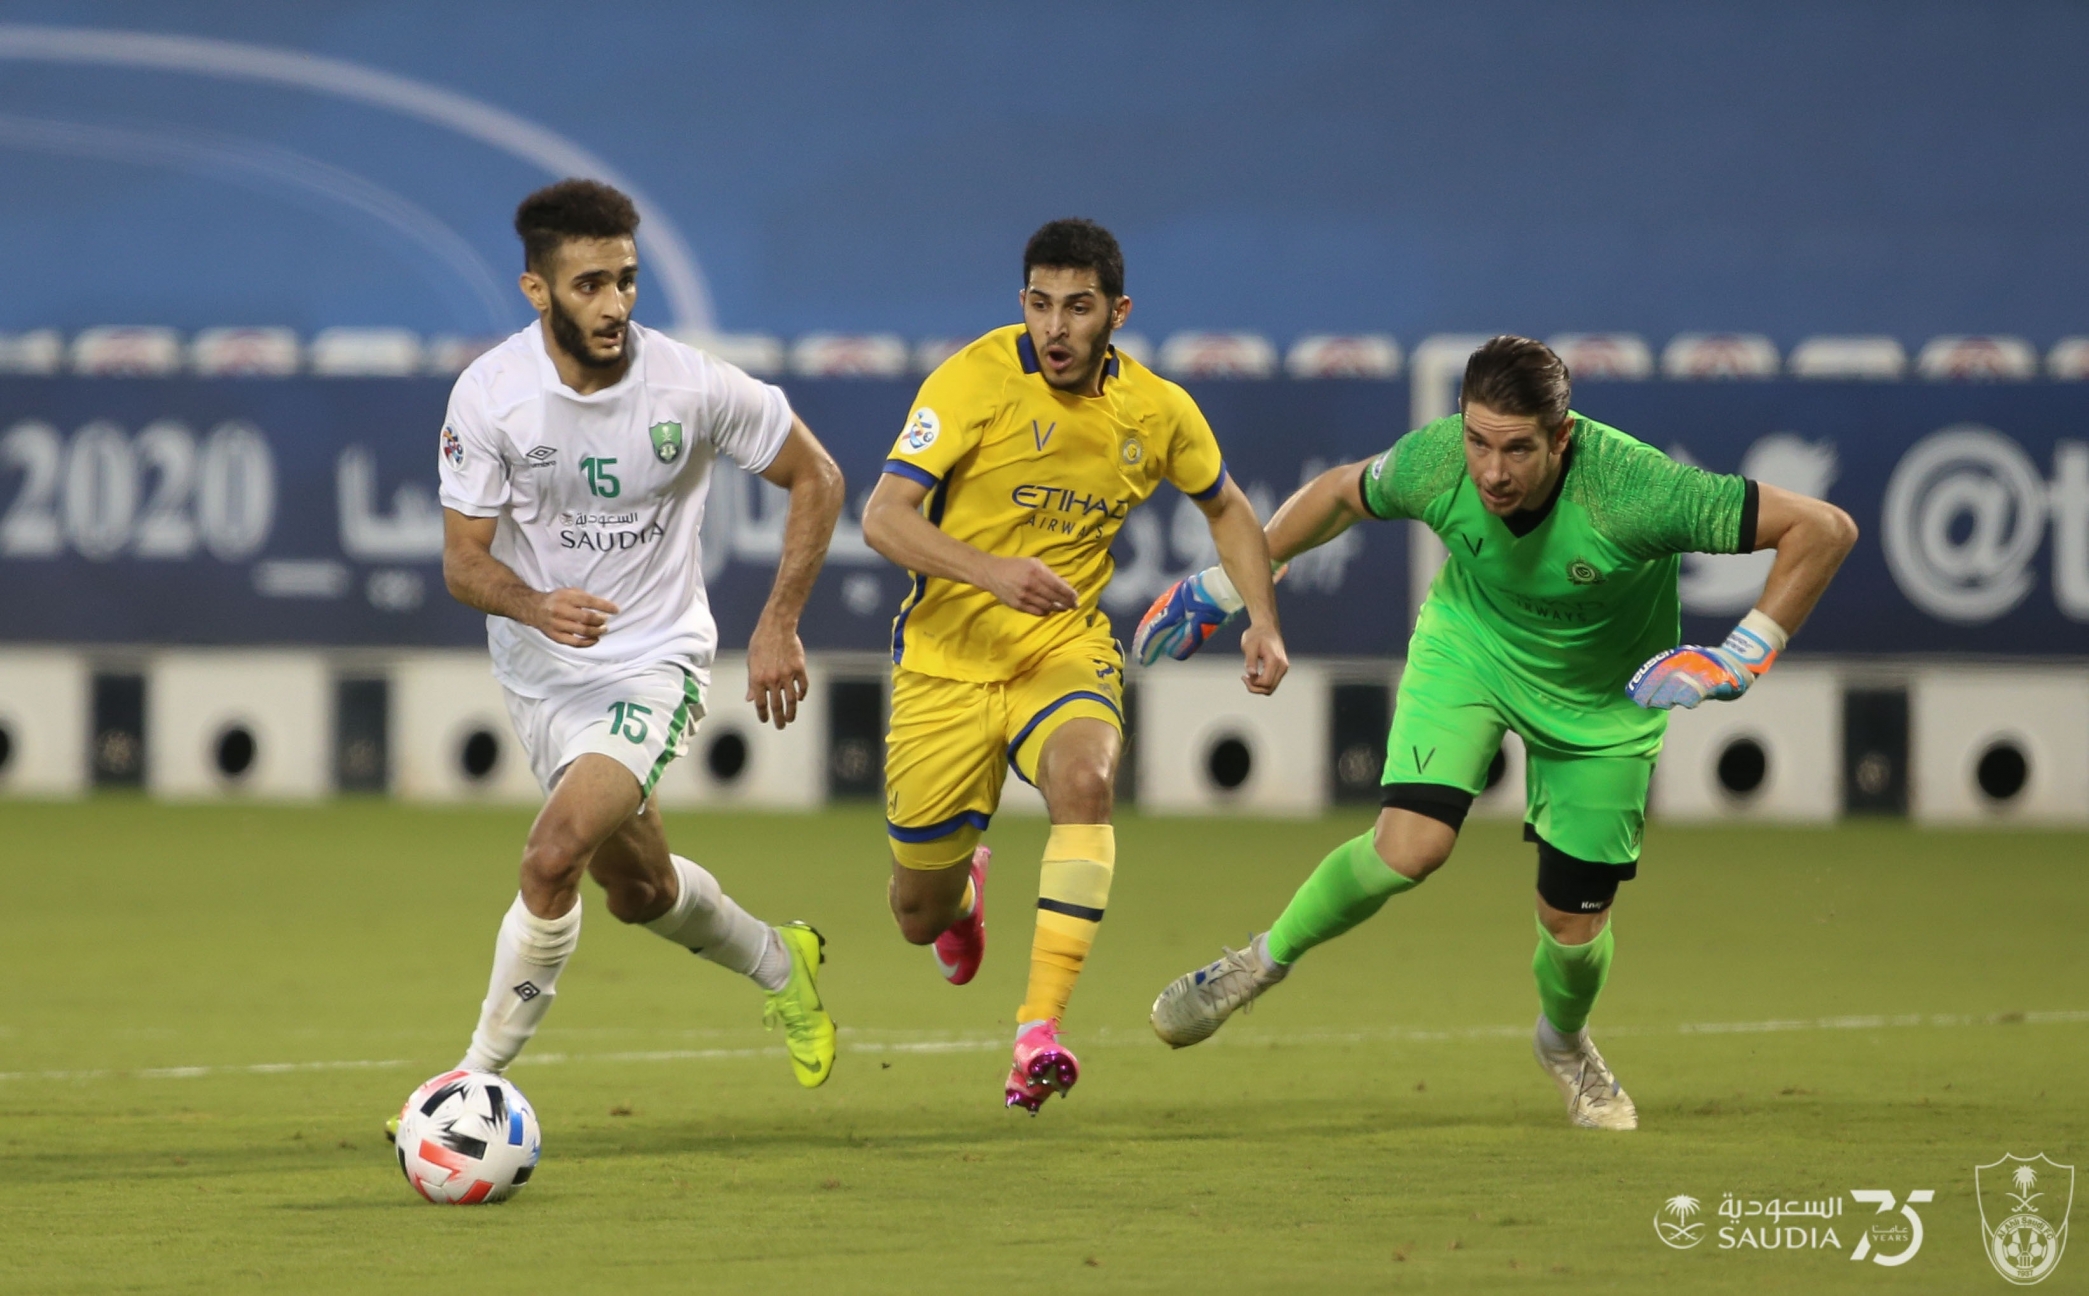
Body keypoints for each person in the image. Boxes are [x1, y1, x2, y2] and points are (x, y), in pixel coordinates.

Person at [1140, 334, 1858, 1129]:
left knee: (1572, 929)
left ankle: (1564, 1044)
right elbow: (1343, 494)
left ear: (1561, 436)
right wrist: (1229, 580)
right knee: (1409, 847)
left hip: (1601, 701)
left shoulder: (1637, 490)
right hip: (1472, 651)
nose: (1490, 472)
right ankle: (1254, 965)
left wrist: (1741, 655)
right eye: (1477, 442)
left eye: (1516, 449)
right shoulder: (1437, 460)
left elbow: (1823, 528)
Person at [428, 179, 847, 1101]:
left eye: (625, 279)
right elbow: (463, 563)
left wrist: (777, 621)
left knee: (551, 855)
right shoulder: (491, 394)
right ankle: (784, 963)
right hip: (540, 675)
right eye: (588, 285)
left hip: (653, 663)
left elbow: (816, 475)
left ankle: (470, 1088)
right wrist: (536, 606)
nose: (614, 304)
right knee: (639, 892)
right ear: (537, 290)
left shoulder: (690, 385)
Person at [860, 218, 1288, 1113]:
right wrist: (990, 572)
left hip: (1062, 648)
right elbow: (884, 517)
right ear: (1022, 302)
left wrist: (1261, 620)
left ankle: (1037, 1033)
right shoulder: (973, 377)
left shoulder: (1157, 410)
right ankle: (962, 898)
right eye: (1040, 304)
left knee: (1087, 782)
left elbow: (1229, 507)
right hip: (946, 662)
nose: (1055, 328)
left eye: (1078, 308)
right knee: (916, 915)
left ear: (1117, 313)